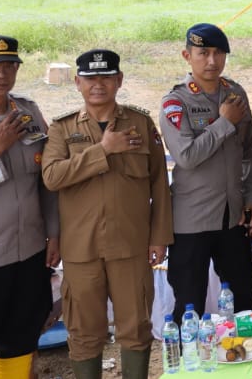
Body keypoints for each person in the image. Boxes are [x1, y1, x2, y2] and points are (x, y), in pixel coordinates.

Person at [42, 50, 171, 379]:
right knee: (84, 332)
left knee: (136, 328)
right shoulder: (61, 128)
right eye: (90, 78)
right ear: (77, 83)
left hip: (130, 245)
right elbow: (52, 176)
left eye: (106, 77)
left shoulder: (140, 123)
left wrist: (159, 237)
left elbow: (159, 183)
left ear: (119, 80)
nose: (97, 85)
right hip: (81, 249)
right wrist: (103, 150)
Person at [160, 24, 252, 324]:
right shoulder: (176, 102)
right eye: (203, 53)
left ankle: (245, 351)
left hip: (233, 216)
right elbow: (187, 156)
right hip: (192, 219)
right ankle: (187, 355)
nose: (212, 61)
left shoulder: (235, 93)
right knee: (189, 304)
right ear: (187, 56)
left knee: (244, 300)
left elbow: (249, 151)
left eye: (219, 53)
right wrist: (224, 123)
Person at [0, 35, 58, 379]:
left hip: (30, 253)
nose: (1, 74)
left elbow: (46, 180)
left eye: (9, 66)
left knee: (20, 339)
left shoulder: (28, 111)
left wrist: (54, 232)